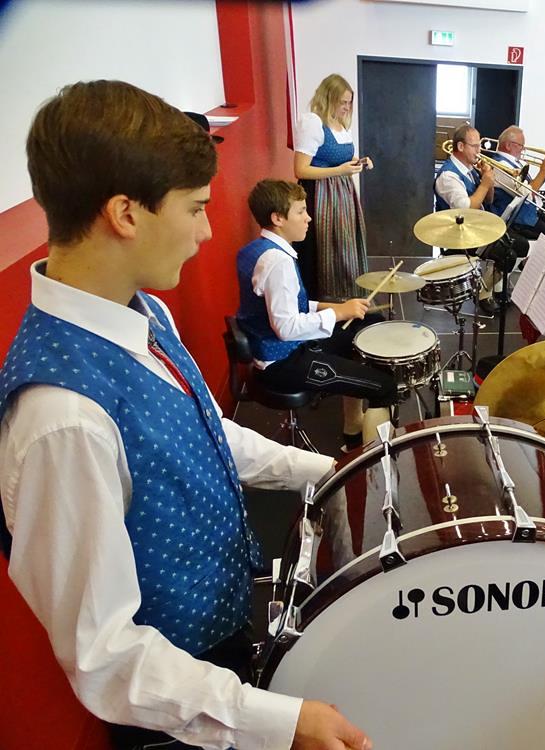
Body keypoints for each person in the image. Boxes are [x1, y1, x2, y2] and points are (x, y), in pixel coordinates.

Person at [0, 81, 371, 750]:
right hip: (169, 704)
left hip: (217, 631)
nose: (206, 231)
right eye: (195, 209)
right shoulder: (63, 418)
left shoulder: (142, 309)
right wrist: (278, 722)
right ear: (125, 214)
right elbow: (105, 653)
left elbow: (201, 429)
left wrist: (328, 468)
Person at [236, 179, 396, 449]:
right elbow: (286, 328)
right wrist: (338, 313)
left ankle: (353, 431)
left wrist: (329, 307)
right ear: (277, 218)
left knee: (368, 323)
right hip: (282, 363)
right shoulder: (278, 262)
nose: (308, 218)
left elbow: (285, 304)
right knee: (385, 386)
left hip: (278, 349)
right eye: (300, 211)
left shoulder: (255, 250)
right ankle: (370, 463)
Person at [293, 74, 372, 301]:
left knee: (345, 248)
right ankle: (326, 300)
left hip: (342, 195)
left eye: (349, 102)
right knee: (326, 250)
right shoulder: (313, 123)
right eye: (342, 102)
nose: (347, 107)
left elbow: (341, 158)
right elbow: (300, 170)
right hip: (320, 197)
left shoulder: (340, 125)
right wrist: (340, 171)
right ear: (329, 98)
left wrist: (360, 161)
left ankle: (347, 296)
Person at [434, 123, 526, 314]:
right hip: (458, 233)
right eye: (475, 146)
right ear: (461, 146)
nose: (479, 151)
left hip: (477, 226)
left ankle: (491, 287)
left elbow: (488, 200)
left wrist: (488, 182)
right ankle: (483, 293)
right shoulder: (448, 176)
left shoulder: (470, 169)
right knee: (507, 255)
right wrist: (484, 184)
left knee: (521, 245)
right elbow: (466, 209)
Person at [488, 125, 545, 240]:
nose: (523, 149)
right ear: (508, 145)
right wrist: (543, 171)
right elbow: (527, 194)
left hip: (530, 213)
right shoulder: (501, 166)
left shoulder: (515, 163)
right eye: (521, 145)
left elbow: (530, 188)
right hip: (518, 221)